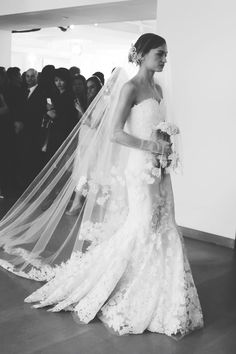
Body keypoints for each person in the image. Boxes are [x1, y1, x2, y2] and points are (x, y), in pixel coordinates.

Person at [0, 33, 203, 337]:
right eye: (159, 53)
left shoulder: (158, 88)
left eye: (165, 54)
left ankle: (166, 293)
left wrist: (164, 148)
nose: (164, 59)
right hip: (138, 169)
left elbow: (157, 129)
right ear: (142, 54)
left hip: (158, 168)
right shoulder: (131, 88)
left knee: (165, 224)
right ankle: (129, 287)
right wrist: (151, 145)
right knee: (144, 224)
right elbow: (115, 134)